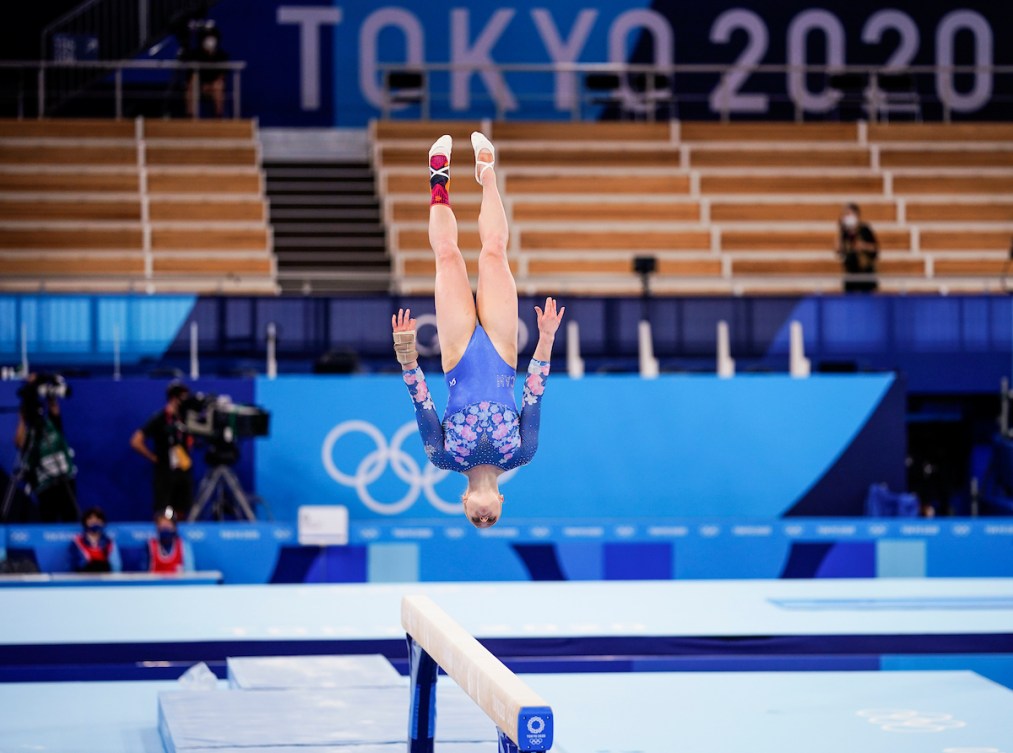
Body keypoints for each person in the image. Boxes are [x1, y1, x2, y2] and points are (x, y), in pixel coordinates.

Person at [393, 132, 565, 528]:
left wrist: (407, 356)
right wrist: (547, 338)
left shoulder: (442, 457)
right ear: (502, 501)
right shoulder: (522, 453)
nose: (484, 518)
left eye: (476, 520)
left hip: (456, 354)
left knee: (448, 258)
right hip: (504, 352)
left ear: (464, 500)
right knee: (493, 251)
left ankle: (439, 180)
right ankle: (487, 173)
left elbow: (422, 403)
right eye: (492, 519)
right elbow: (534, 391)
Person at [14, 373, 78, 523]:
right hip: (44, 485)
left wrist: (47, 386)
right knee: (48, 520)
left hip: (64, 480)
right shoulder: (30, 433)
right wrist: (23, 417)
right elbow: (19, 442)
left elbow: (54, 408)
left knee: (70, 519)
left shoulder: (52, 425)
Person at [130, 382, 195, 517]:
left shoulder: (186, 419)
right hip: (164, 471)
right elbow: (135, 441)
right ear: (173, 398)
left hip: (183, 470)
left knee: (182, 510)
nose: (186, 401)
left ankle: (178, 537)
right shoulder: (160, 418)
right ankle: (164, 535)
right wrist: (152, 457)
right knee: (164, 511)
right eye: (183, 397)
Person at [183, 23, 228, 118]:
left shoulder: (221, 55)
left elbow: (222, 76)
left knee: (218, 86)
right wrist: (201, 86)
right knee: (191, 86)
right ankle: (190, 116)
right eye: (207, 37)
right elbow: (192, 75)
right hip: (199, 85)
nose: (210, 41)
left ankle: (218, 116)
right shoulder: (195, 54)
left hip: (213, 86)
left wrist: (210, 86)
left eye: (212, 37)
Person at [837, 202, 880, 293]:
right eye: (845, 215)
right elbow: (838, 250)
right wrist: (840, 230)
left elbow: (875, 248)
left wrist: (863, 246)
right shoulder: (845, 233)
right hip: (851, 275)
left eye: (848, 214)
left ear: (856, 215)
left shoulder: (865, 229)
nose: (846, 217)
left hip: (866, 274)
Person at [69, 506, 122, 573]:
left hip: (105, 576)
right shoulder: (77, 541)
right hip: (84, 576)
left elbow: (116, 565)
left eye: (97, 519)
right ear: (85, 522)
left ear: (102, 522)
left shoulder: (109, 542)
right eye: (90, 518)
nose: (94, 521)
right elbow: (74, 564)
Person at [145, 508, 195, 574]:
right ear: (157, 527)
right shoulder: (150, 546)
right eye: (162, 524)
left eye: (168, 523)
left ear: (174, 527)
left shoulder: (183, 546)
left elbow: (190, 573)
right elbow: (143, 574)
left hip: (178, 584)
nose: (165, 526)